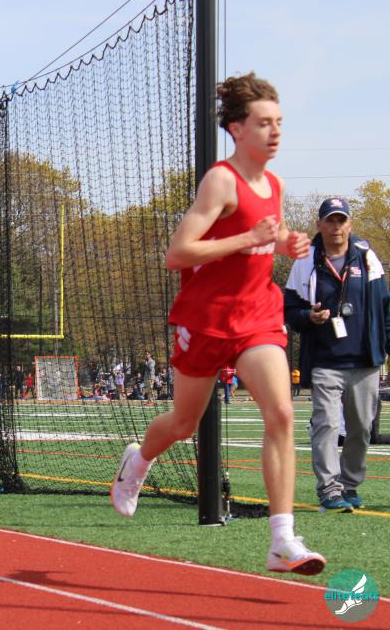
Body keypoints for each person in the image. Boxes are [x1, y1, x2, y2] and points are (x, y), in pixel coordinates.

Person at [110, 73, 325, 575]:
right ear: (237, 129)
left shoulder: (275, 184)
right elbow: (179, 253)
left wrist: (286, 243)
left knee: (281, 413)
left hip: (257, 315)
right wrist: (249, 238)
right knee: (183, 423)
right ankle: (138, 460)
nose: (275, 132)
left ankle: (282, 540)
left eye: (279, 122)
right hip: (207, 318)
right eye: (264, 123)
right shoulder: (221, 180)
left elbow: (268, 234)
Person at [283, 197, 390, 512]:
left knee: (361, 428)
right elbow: (290, 309)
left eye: (341, 220)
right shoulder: (305, 261)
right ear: (319, 225)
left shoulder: (367, 257)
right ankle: (329, 489)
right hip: (325, 361)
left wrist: (384, 347)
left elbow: (385, 307)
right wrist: (308, 317)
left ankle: (349, 484)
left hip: (364, 360)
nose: (336, 227)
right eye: (330, 220)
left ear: (350, 224)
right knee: (327, 426)